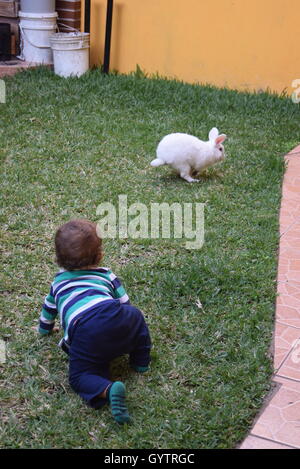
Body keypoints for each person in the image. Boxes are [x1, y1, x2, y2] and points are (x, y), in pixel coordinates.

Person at [38, 219, 151, 424]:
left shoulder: (58, 284)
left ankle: (106, 389)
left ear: (58, 259)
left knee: (79, 376)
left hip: (87, 331)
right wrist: (125, 322)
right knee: (135, 316)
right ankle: (140, 360)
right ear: (100, 255)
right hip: (116, 317)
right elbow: (125, 302)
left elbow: (48, 312)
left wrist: (45, 329)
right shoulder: (106, 274)